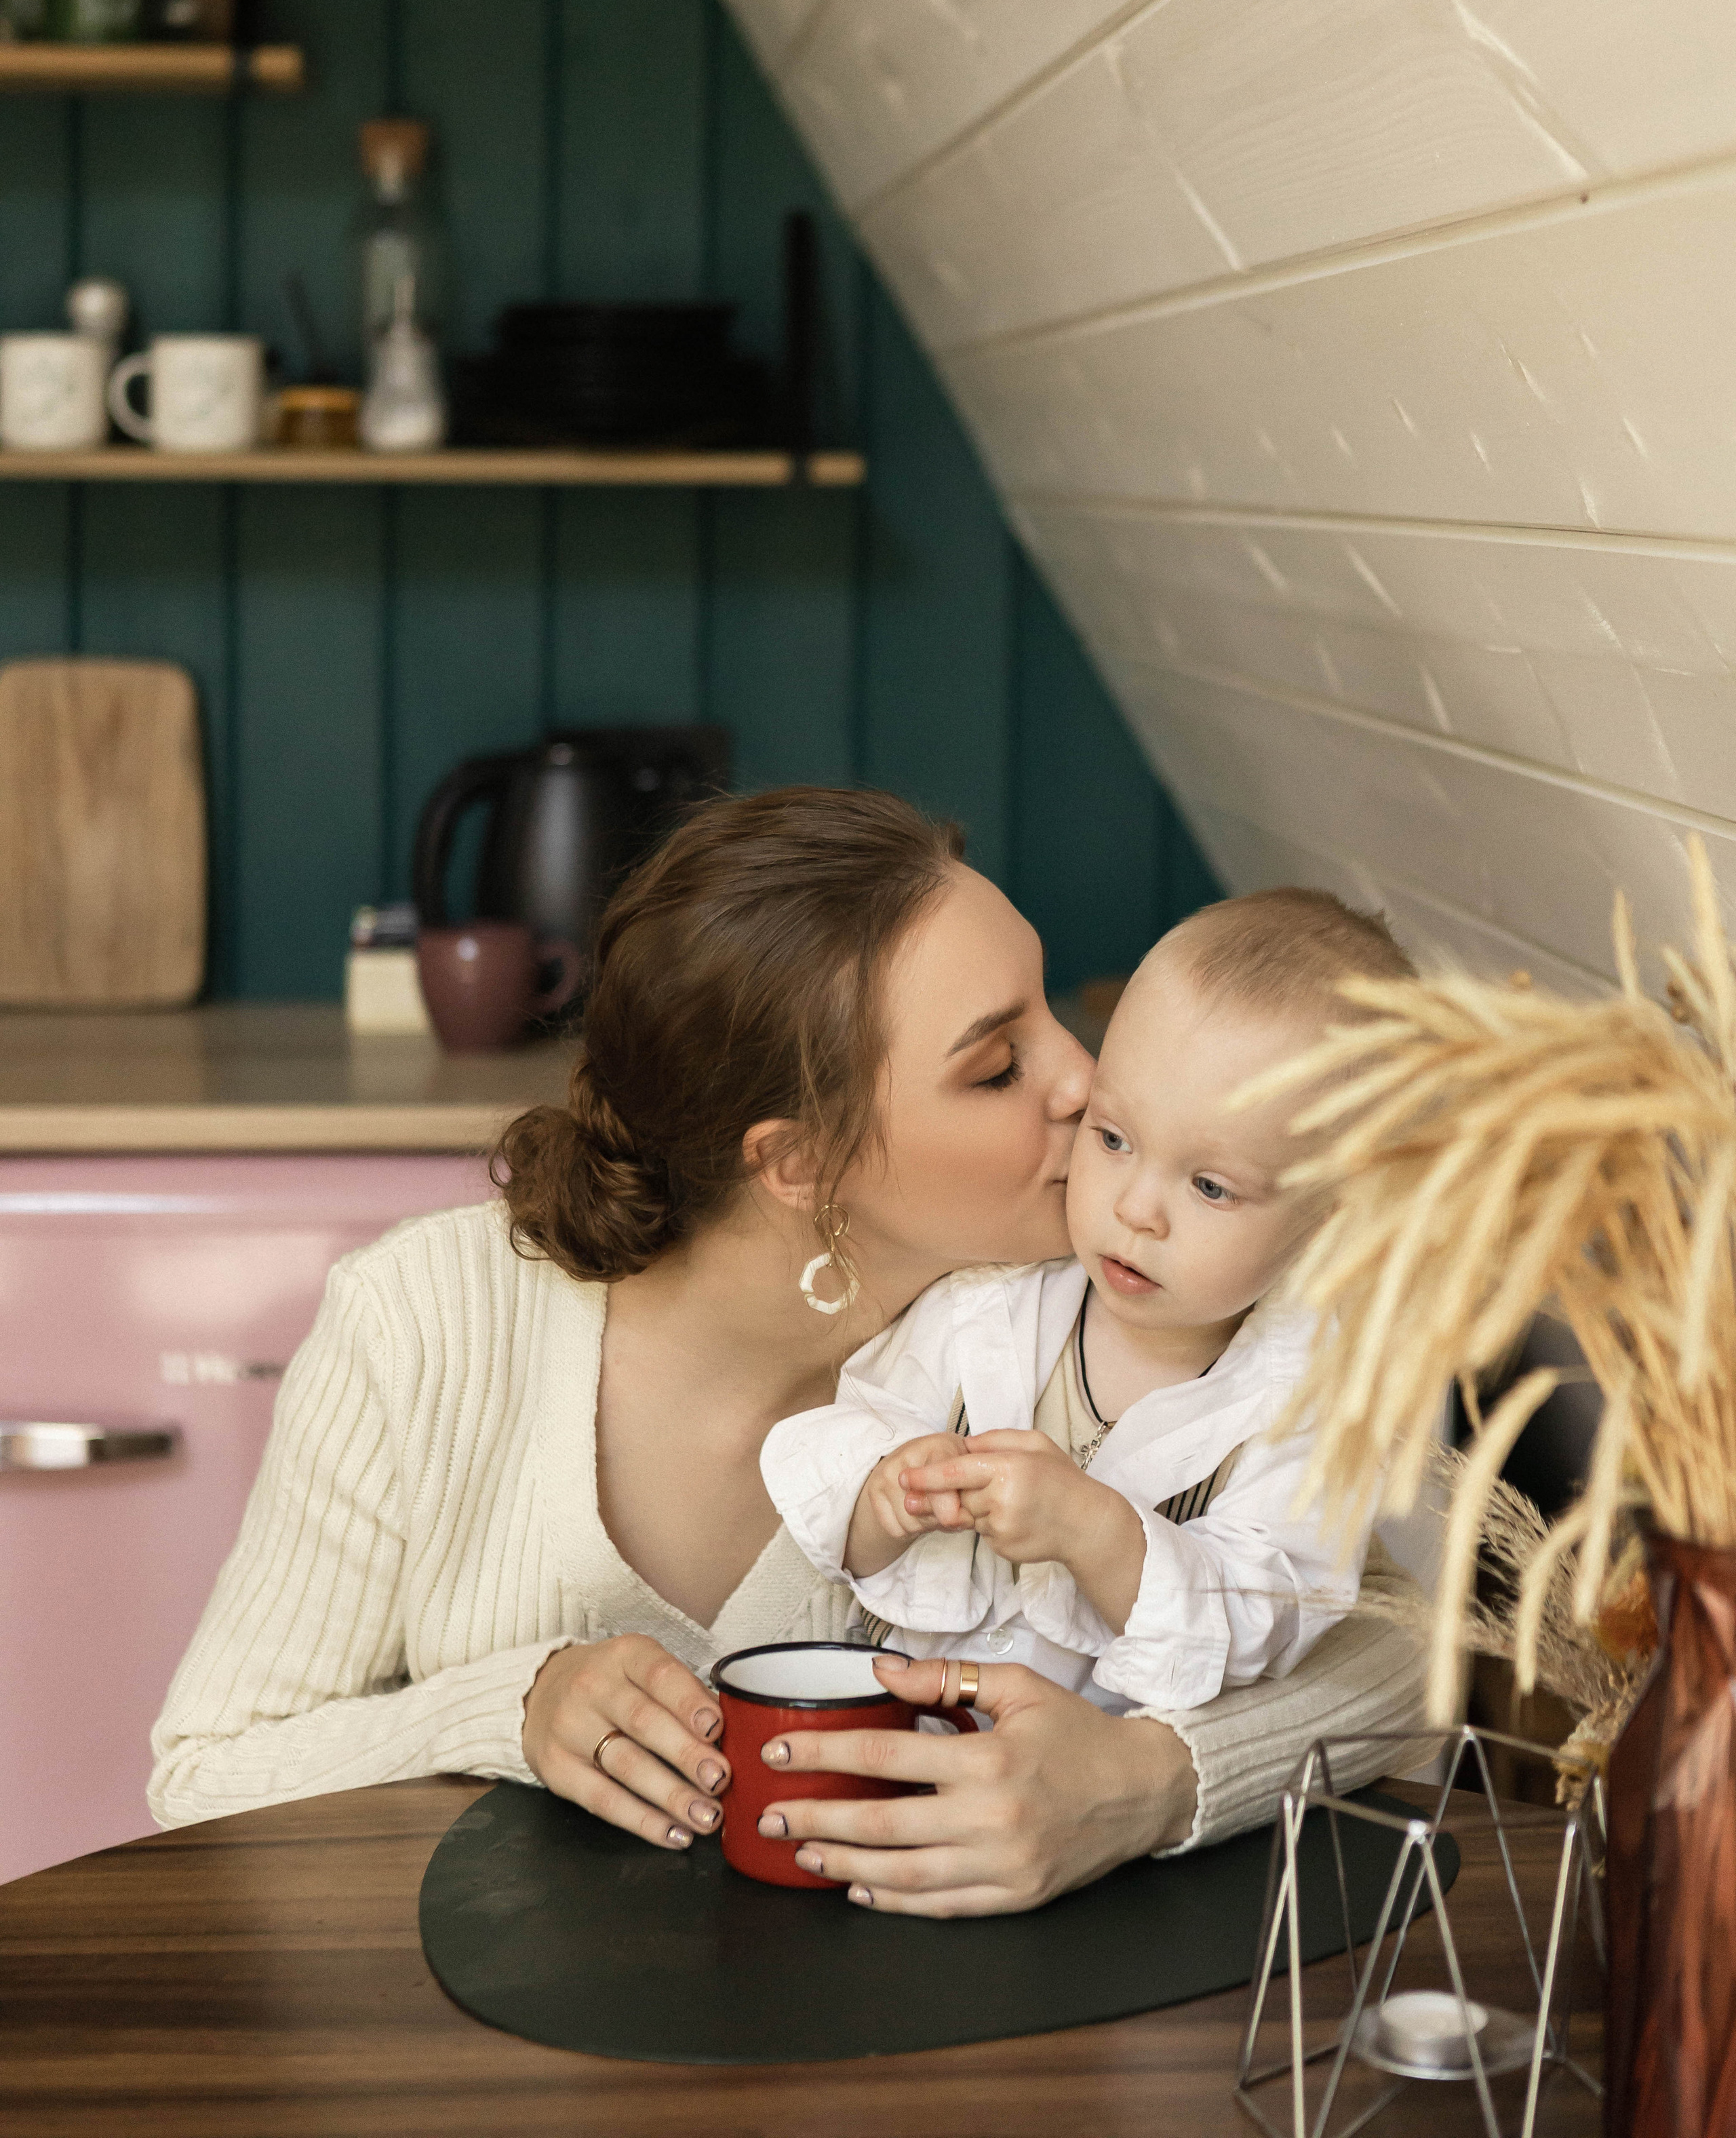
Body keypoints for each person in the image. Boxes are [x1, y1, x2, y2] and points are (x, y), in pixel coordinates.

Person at [150, 789, 1428, 1919]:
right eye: (997, 1066)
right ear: (798, 1164)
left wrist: (1143, 1785)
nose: (1088, 1083)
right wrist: (514, 1710)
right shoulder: (423, 1323)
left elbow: (1402, 1648)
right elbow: (206, 1769)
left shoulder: (1118, 1295)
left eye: (1054, 1010)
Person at [762, 891, 1415, 1717]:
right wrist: (887, 1493)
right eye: (1112, 1139)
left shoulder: (1311, 1404)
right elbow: (843, 1455)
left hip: (1085, 1806)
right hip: (896, 1743)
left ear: (1334, 1216)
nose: (1134, 1209)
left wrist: (1094, 1532)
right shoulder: (989, 1298)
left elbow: (1264, 1620)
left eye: (1211, 1186)